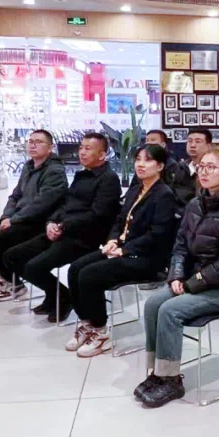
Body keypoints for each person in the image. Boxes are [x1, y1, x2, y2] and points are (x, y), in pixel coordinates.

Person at [135, 146, 219, 408]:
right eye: (201, 166)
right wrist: (177, 276)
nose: (204, 172)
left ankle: (171, 381)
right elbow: (180, 246)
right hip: (194, 281)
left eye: (211, 167)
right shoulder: (195, 204)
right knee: (153, 304)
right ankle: (158, 371)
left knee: (170, 311)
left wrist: (191, 284)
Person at [66, 144, 179, 358]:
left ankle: (101, 333)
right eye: (138, 159)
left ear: (160, 166)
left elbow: (157, 235)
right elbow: (119, 220)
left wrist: (124, 250)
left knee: (89, 276)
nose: (140, 164)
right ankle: (87, 323)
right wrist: (112, 240)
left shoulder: (164, 195)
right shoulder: (136, 188)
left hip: (147, 258)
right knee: (75, 269)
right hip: (122, 248)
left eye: (147, 160)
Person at [0, 133, 122, 320]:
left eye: (88, 149)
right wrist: (51, 222)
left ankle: (62, 298)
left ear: (102, 155)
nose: (82, 152)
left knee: (33, 267)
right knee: (13, 256)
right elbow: (64, 203)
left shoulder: (109, 179)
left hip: (84, 238)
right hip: (62, 230)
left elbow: (97, 215)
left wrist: (63, 225)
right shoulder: (81, 175)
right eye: (81, 147)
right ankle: (56, 295)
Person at [0, 129, 67, 299]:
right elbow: (15, 196)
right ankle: (4, 276)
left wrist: (14, 220)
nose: (33, 145)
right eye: (31, 141)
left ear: (50, 147)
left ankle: (15, 284)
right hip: (19, 218)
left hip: (38, 222)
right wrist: (6, 216)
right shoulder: (28, 166)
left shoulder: (54, 171)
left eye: (38, 142)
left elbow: (42, 204)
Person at [146, 129, 194, 209]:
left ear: (163, 144)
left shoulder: (172, 166)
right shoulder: (143, 165)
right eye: (147, 140)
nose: (149, 143)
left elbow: (174, 193)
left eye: (153, 140)